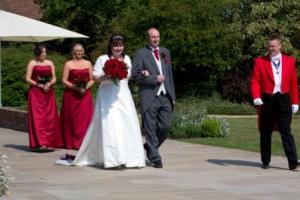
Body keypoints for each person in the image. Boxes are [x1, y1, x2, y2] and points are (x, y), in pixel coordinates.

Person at [56, 35, 145, 168]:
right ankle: (112, 159)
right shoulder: (102, 59)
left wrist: (121, 73)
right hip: (107, 96)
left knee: (126, 124)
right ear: (110, 46)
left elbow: (129, 74)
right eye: (115, 45)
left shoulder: (126, 59)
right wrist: (106, 76)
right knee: (111, 125)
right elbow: (94, 76)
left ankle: (128, 158)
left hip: (123, 95)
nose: (118, 48)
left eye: (120, 45)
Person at [250, 35, 299, 170]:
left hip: (284, 99)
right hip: (267, 99)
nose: (270, 48)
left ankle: (293, 162)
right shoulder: (260, 61)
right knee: (265, 131)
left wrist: (295, 101)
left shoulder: (290, 61)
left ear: (279, 46)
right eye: (269, 46)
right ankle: (265, 161)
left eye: (273, 46)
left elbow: (294, 82)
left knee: (286, 131)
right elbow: (255, 80)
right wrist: (256, 97)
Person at [132, 28, 176, 168]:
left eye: (157, 36)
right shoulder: (140, 53)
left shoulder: (165, 52)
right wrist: (154, 78)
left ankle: (150, 147)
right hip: (149, 96)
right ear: (147, 38)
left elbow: (169, 74)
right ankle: (155, 157)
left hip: (166, 95)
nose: (155, 39)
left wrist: (172, 96)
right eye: (153, 37)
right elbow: (136, 76)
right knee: (150, 128)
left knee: (165, 126)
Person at [25, 44, 63, 150]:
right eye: (42, 52)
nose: (44, 54)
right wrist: (39, 85)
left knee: (49, 117)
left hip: (48, 93)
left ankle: (50, 142)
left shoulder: (50, 63)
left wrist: (49, 83)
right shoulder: (32, 63)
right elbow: (27, 78)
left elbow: (54, 78)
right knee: (38, 118)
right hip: (36, 93)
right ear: (37, 53)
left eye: (45, 52)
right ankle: (40, 143)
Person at [60, 43, 94, 150]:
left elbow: (92, 79)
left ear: (83, 52)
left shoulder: (88, 63)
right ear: (73, 52)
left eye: (80, 50)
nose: (78, 52)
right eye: (76, 50)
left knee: (85, 119)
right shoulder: (68, 64)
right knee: (71, 119)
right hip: (71, 95)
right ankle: (71, 142)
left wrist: (85, 88)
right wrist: (75, 87)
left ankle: (84, 143)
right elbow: (64, 80)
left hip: (85, 95)